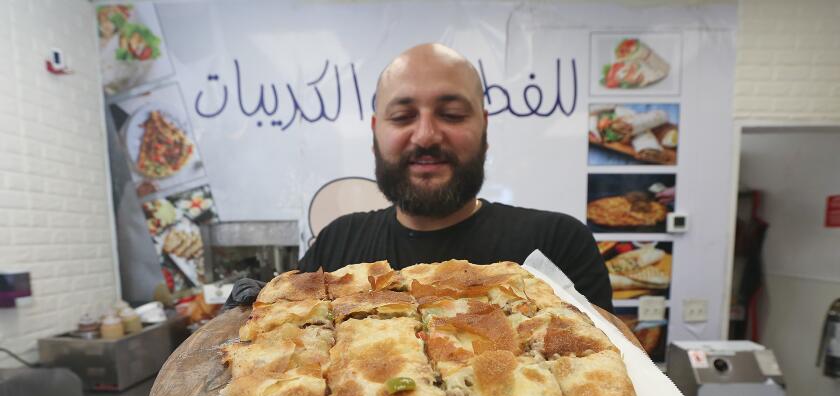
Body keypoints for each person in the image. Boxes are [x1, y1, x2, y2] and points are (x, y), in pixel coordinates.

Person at [228, 43, 612, 311]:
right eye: (402, 116)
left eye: (452, 114)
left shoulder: (558, 242)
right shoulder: (337, 243)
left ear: (484, 126)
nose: (426, 135)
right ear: (376, 131)